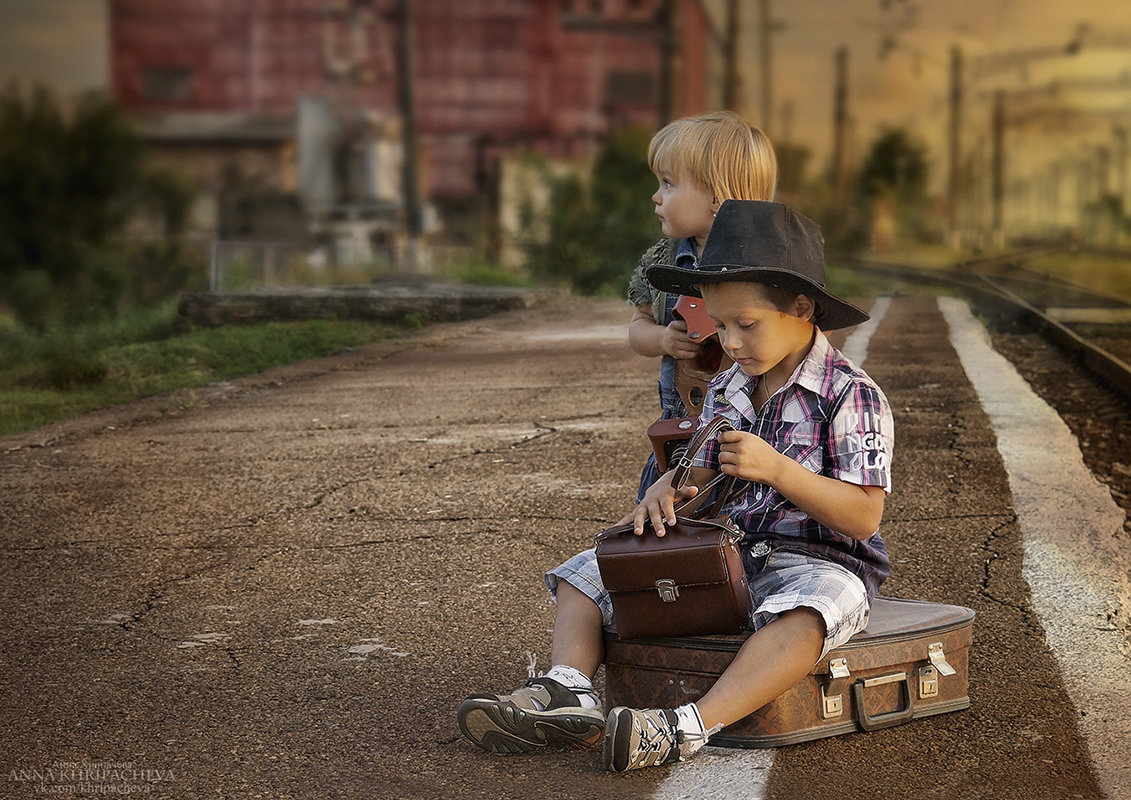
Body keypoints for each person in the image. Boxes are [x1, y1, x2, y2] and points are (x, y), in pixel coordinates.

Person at [457, 200, 894, 773]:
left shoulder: (850, 394)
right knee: (588, 570)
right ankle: (569, 693)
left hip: (817, 559)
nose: (730, 344)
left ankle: (686, 726)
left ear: (803, 307)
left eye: (747, 325)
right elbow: (704, 468)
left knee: (808, 614)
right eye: (720, 326)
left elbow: (864, 517)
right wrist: (668, 486)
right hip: (729, 551)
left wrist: (781, 470)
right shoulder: (731, 384)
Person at [626, 110, 778, 501]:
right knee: (664, 520)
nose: (656, 197)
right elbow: (637, 326)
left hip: (751, 438)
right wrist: (661, 338)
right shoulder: (660, 259)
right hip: (681, 431)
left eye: (668, 184)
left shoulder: (770, 264)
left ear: (715, 196)